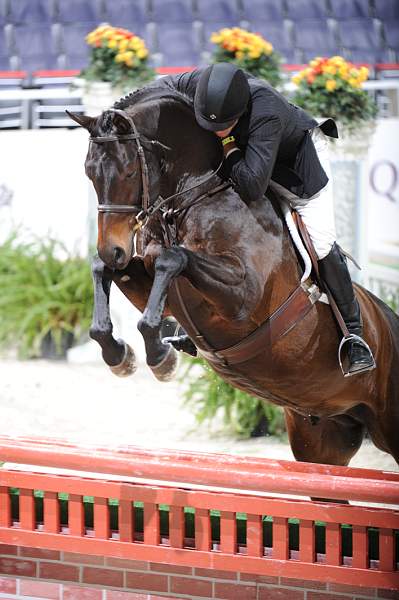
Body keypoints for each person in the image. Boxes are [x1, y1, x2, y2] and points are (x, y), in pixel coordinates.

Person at [157, 62, 375, 375]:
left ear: (241, 109)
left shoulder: (266, 110)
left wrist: (228, 144)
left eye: (223, 126)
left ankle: (355, 335)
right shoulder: (200, 86)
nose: (216, 130)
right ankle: (202, 323)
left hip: (296, 172)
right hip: (251, 164)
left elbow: (251, 186)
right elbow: (160, 89)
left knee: (321, 242)